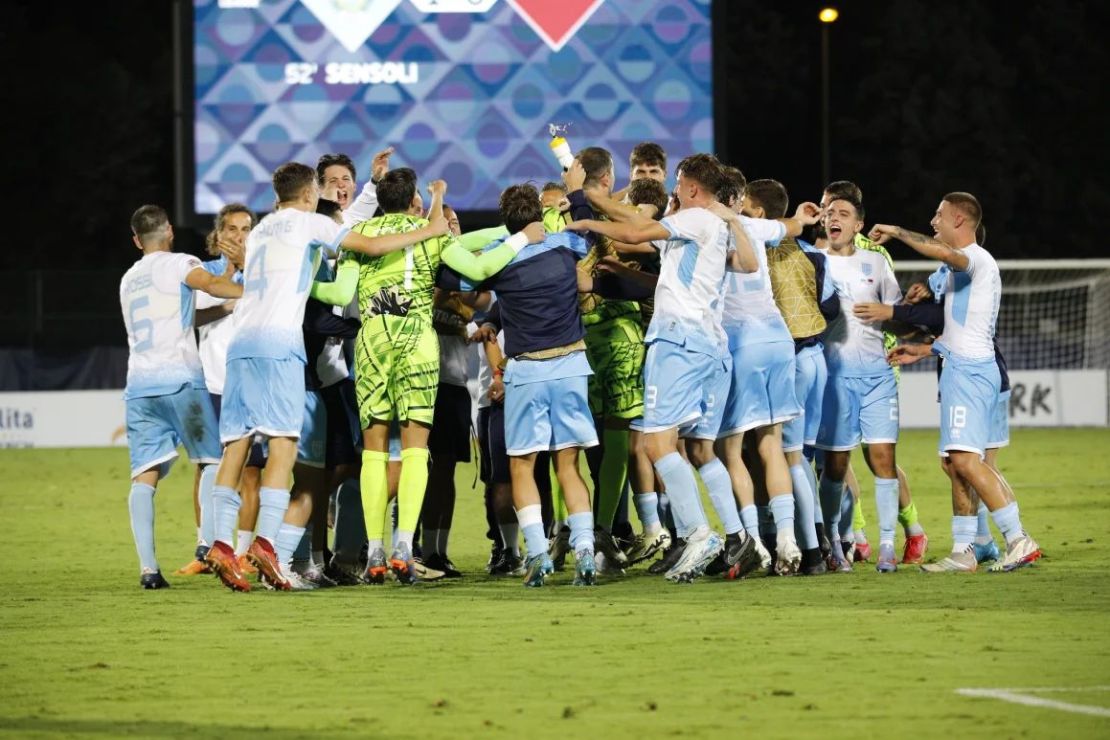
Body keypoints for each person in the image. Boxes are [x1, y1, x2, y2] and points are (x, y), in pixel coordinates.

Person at [569, 154, 822, 583]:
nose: (672, 190)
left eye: (678, 184)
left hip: (678, 341)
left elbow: (633, 229)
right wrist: (596, 202)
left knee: (656, 444)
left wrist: (587, 217)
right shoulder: (714, 226)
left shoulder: (694, 219)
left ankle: (695, 534)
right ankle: (739, 537)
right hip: (713, 347)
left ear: (690, 188)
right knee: (701, 450)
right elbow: (741, 260)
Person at [203, 162, 448, 592]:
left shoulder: (260, 230)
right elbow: (370, 246)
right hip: (279, 345)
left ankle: (221, 545)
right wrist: (429, 230)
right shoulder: (311, 222)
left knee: (236, 447)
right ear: (311, 192)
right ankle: (267, 546)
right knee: (284, 446)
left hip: (239, 345)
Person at [310, 170, 539, 584]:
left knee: (376, 450)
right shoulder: (431, 232)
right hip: (418, 343)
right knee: (417, 450)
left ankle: (375, 549)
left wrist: (307, 284)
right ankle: (403, 546)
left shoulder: (360, 233)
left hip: (374, 342)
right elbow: (479, 263)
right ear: (412, 200)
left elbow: (340, 296)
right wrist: (519, 236)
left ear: (381, 199)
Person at [439, 179, 601, 587]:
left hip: (526, 372)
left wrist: (501, 237)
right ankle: (583, 549)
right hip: (570, 366)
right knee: (569, 465)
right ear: (538, 215)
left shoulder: (500, 259)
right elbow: (588, 237)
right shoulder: (566, 247)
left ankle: (538, 554)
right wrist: (565, 206)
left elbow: (451, 266)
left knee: (522, 466)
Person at [872, 193, 1042, 572]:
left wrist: (898, 231)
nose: (934, 221)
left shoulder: (974, 260)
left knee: (967, 459)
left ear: (960, 221)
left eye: (939, 215)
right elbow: (958, 327)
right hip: (959, 366)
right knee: (954, 461)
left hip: (971, 373)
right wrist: (923, 350)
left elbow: (945, 255)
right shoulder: (953, 273)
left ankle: (1017, 539)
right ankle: (966, 550)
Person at [120, 205, 242, 588]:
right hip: (181, 381)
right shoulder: (180, 263)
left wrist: (224, 307)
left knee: (144, 476)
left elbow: (182, 315)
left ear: (137, 240)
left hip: (139, 388)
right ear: (169, 231)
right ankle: (207, 545)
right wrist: (251, 293)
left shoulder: (128, 279)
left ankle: (148, 569)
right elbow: (211, 283)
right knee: (211, 461)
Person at [815, 196, 906, 573]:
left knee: (884, 460)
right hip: (834, 377)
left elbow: (897, 316)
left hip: (877, 376)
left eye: (844, 214)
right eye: (830, 213)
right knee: (835, 465)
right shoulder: (813, 261)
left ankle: (887, 543)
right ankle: (834, 541)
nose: (835, 218)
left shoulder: (876, 263)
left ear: (858, 225)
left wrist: (894, 313)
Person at [757, 179, 839, 575]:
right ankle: (823, 540)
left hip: (787, 359)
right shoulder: (813, 254)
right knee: (801, 458)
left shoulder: (755, 249)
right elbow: (832, 305)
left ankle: (811, 547)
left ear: (757, 212)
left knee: (789, 458)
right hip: (816, 357)